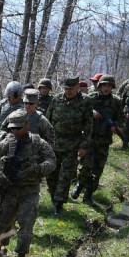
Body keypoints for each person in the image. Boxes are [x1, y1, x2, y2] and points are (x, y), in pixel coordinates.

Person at [0, 109, 56, 257]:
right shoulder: (5, 143)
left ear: (27, 125)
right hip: (9, 189)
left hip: (29, 190)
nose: (15, 131)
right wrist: (0, 177)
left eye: (18, 128)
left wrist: (38, 168)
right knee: (3, 222)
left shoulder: (38, 143)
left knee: (26, 224)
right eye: (12, 128)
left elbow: (52, 161)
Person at [44, 77, 92, 216]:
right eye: (66, 88)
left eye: (71, 88)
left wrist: (84, 146)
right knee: (51, 173)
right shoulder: (57, 99)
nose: (68, 91)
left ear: (77, 87)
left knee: (65, 175)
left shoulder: (85, 101)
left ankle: (59, 203)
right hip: (54, 143)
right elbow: (47, 120)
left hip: (72, 144)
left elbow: (88, 126)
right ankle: (54, 197)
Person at [74, 74, 122, 205]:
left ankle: (88, 196)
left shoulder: (116, 101)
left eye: (109, 86)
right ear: (100, 86)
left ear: (112, 87)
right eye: (104, 85)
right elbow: (79, 112)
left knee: (97, 170)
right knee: (84, 167)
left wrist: (116, 126)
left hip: (104, 140)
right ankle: (80, 184)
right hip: (89, 138)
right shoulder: (90, 98)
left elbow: (120, 118)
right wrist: (92, 113)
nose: (106, 88)